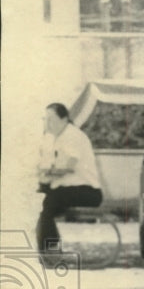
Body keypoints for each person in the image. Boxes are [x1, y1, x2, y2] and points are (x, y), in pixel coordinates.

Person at [36, 103, 102, 257]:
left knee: (48, 201)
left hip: (88, 191)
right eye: (45, 119)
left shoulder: (72, 135)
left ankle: (50, 249)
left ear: (64, 119)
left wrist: (45, 174)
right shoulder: (58, 137)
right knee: (42, 200)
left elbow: (67, 168)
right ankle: (49, 247)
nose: (47, 123)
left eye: (51, 119)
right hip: (71, 188)